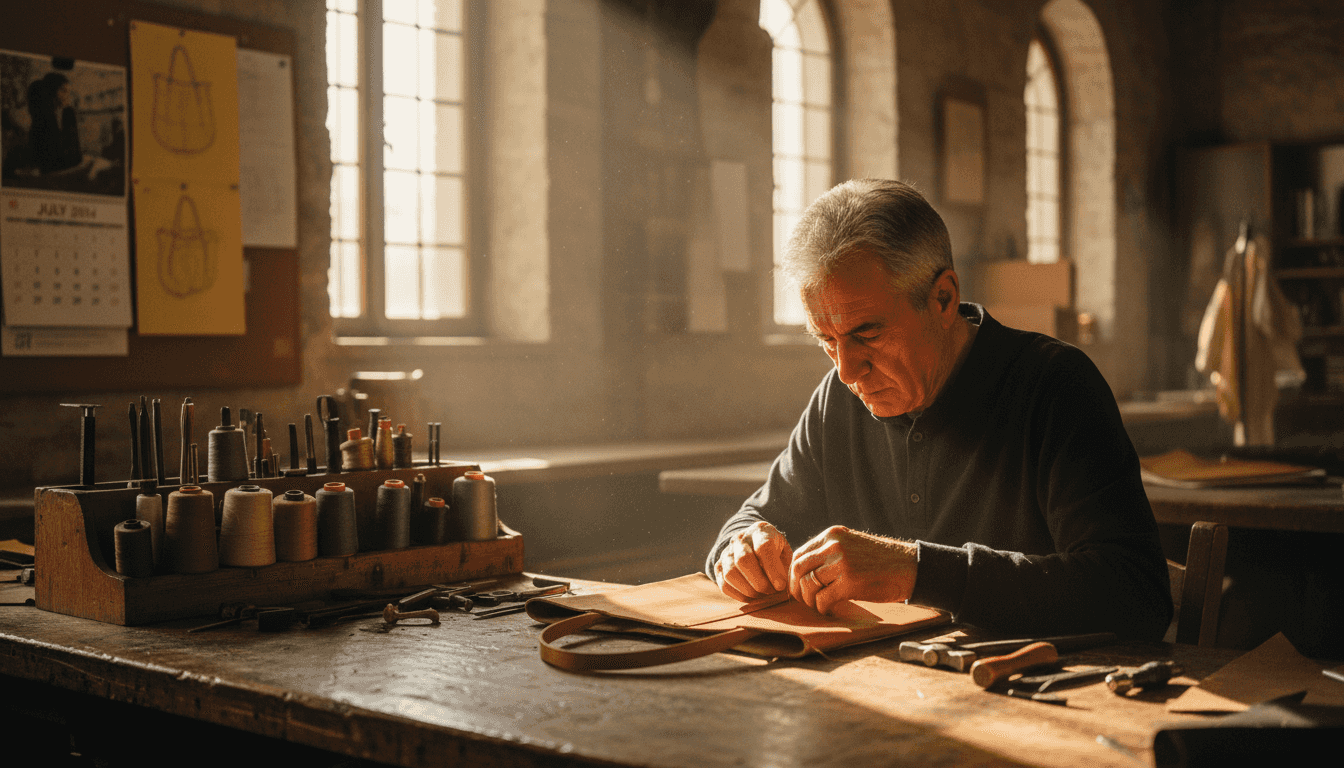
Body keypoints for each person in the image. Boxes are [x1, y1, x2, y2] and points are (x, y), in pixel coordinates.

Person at [706, 178, 1172, 639]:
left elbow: (1135, 593)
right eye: (827, 340)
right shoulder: (837, 400)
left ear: (943, 300)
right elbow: (750, 521)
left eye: (867, 334)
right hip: (879, 694)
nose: (847, 371)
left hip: (1024, 699)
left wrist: (916, 571)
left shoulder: (1055, 387)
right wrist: (739, 549)